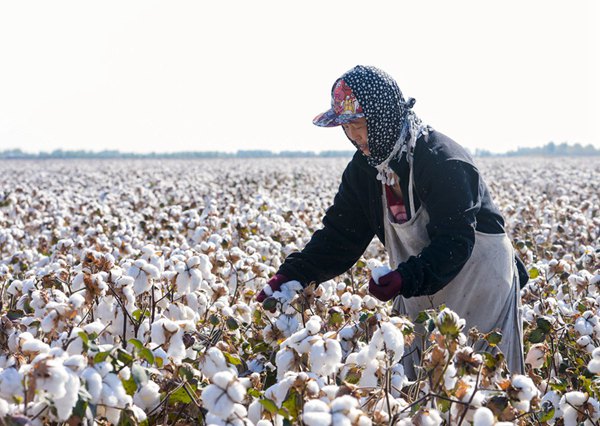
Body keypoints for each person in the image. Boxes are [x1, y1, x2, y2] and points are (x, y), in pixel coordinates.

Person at [257, 65, 526, 376]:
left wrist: (406, 279)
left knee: (482, 387)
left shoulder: (443, 161)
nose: (355, 136)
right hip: (421, 288)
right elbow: (339, 238)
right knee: (419, 393)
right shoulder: (365, 170)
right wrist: (291, 276)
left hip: (482, 288)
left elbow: (455, 241)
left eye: (359, 124)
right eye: (347, 127)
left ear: (383, 117)